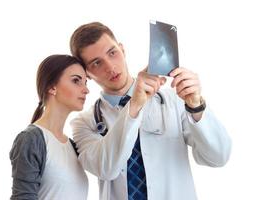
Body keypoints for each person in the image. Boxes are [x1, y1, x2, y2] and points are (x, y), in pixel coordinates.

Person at [69, 22, 231, 200]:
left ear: (122, 50)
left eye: (112, 53)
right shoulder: (83, 123)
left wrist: (196, 106)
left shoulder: (174, 101)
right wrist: (135, 106)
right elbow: (106, 169)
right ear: (87, 74)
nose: (110, 67)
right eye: (97, 63)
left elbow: (218, 157)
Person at [9, 54, 89, 200]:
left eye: (86, 82)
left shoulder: (72, 146)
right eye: (76, 81)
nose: (86, 90)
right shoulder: (31, 139)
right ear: (52, 87)